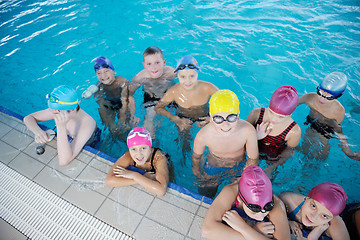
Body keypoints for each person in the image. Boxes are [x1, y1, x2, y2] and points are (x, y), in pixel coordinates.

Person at [192, 90, 258, 198]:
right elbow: (196, 158)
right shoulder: (203, 136)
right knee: (206, 193)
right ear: (211, 118)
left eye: (231, 117)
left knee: (241, 194)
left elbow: (253, 159)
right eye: (218, 118)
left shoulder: (248, 131)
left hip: (239, 166)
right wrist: (197, 173)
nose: (225, 125)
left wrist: (245, 176)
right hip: (214, 166)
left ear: (238, 116)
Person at [202, 165, 291, 240]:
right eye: (254, 210)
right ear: (240, 200)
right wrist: (255, 232)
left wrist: (244, 228)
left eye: (268, 207)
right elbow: (207, 230)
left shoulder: (277, 204)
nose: (261, 217)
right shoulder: (231, 192)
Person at [24, 85, 96, 166]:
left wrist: (60, 127)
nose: (53, 114)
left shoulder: (87, 125)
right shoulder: (58, 110)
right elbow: (28, 118)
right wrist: (38, 132)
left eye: (56, 112)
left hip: (91, 141)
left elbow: (64, 161)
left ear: (73, 110)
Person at [298, 72, 359, 160]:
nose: (322, 98)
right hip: (311, 125)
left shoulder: (339, 110)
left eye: (328, 97)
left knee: (320, 157)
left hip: (325, 131)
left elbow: (338, 129)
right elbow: (291, 105)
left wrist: (347, 150)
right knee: (304, 149)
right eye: (320, 93)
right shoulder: (310, 97)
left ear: (338, 96)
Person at [154, 55, 219, 132]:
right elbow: (158, 108)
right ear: (177, 76)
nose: (188, 81)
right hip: (183, 118)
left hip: (205, 116)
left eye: (192, 76)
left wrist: (213, 118)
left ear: (197, 74)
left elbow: (226, 101)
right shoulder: (173, 92)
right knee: (184, 139)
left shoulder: (208, 87)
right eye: (183, 77)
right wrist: (175, 119)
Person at [105, 127, 170, 196]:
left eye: (143, 148)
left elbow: (161, 191)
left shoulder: (159, 158)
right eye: (134, 149)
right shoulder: (128, 156)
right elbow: (109, 181)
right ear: (129, 149)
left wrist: (134, 175)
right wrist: (137, 178)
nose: (139, 154)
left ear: (150, 148)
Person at [128, 46, 177, 137]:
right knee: (149, 120)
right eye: (149, 64)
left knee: (183, 116)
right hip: (152, 98)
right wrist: (132, 114)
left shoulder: (172, 73)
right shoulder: (140, 78)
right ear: (144, 65)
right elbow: (129, 95)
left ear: (164, 62)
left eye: (157, 62)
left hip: (170, 96)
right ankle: (148, 146)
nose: (154, 67)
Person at [279, 182, 350, 240]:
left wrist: (313, 238)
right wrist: (286, 221)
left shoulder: (335, 224)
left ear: (331, 218)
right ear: (307, 198)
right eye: (313, 206)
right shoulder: (288, 201)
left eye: (324, 216)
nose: (314, 217)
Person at [83, 56, 129, 137]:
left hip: (121, 102)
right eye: (99, 73)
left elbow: (124, 99)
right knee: (109, 123)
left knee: (125, 121)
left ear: (114, 71)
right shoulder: (98, 87)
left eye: (106, 71)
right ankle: (113, 131)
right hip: (108, 104)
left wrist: (122, 115)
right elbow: (100, 103)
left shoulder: (122, 81)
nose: (103, 75)